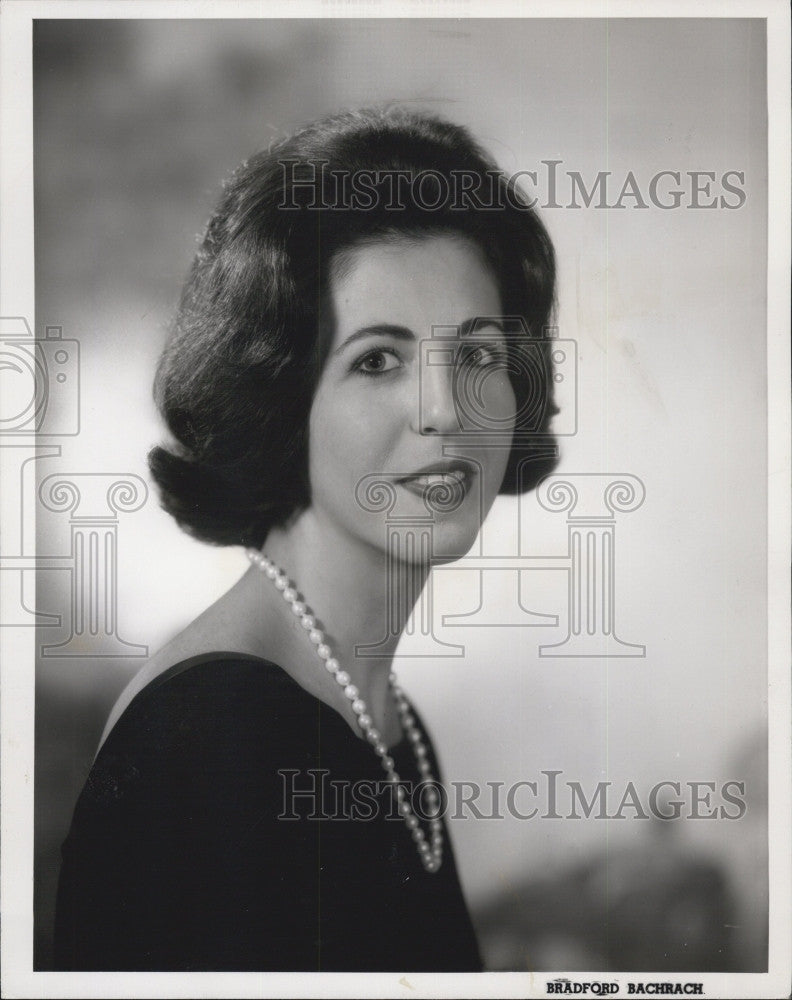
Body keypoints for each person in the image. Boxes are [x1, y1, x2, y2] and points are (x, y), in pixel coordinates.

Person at [53, 107, 558, 971]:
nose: (445, 411)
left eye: (477, 355)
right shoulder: (222, 734)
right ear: (280, 401)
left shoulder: (380, 719)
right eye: (376, 360)